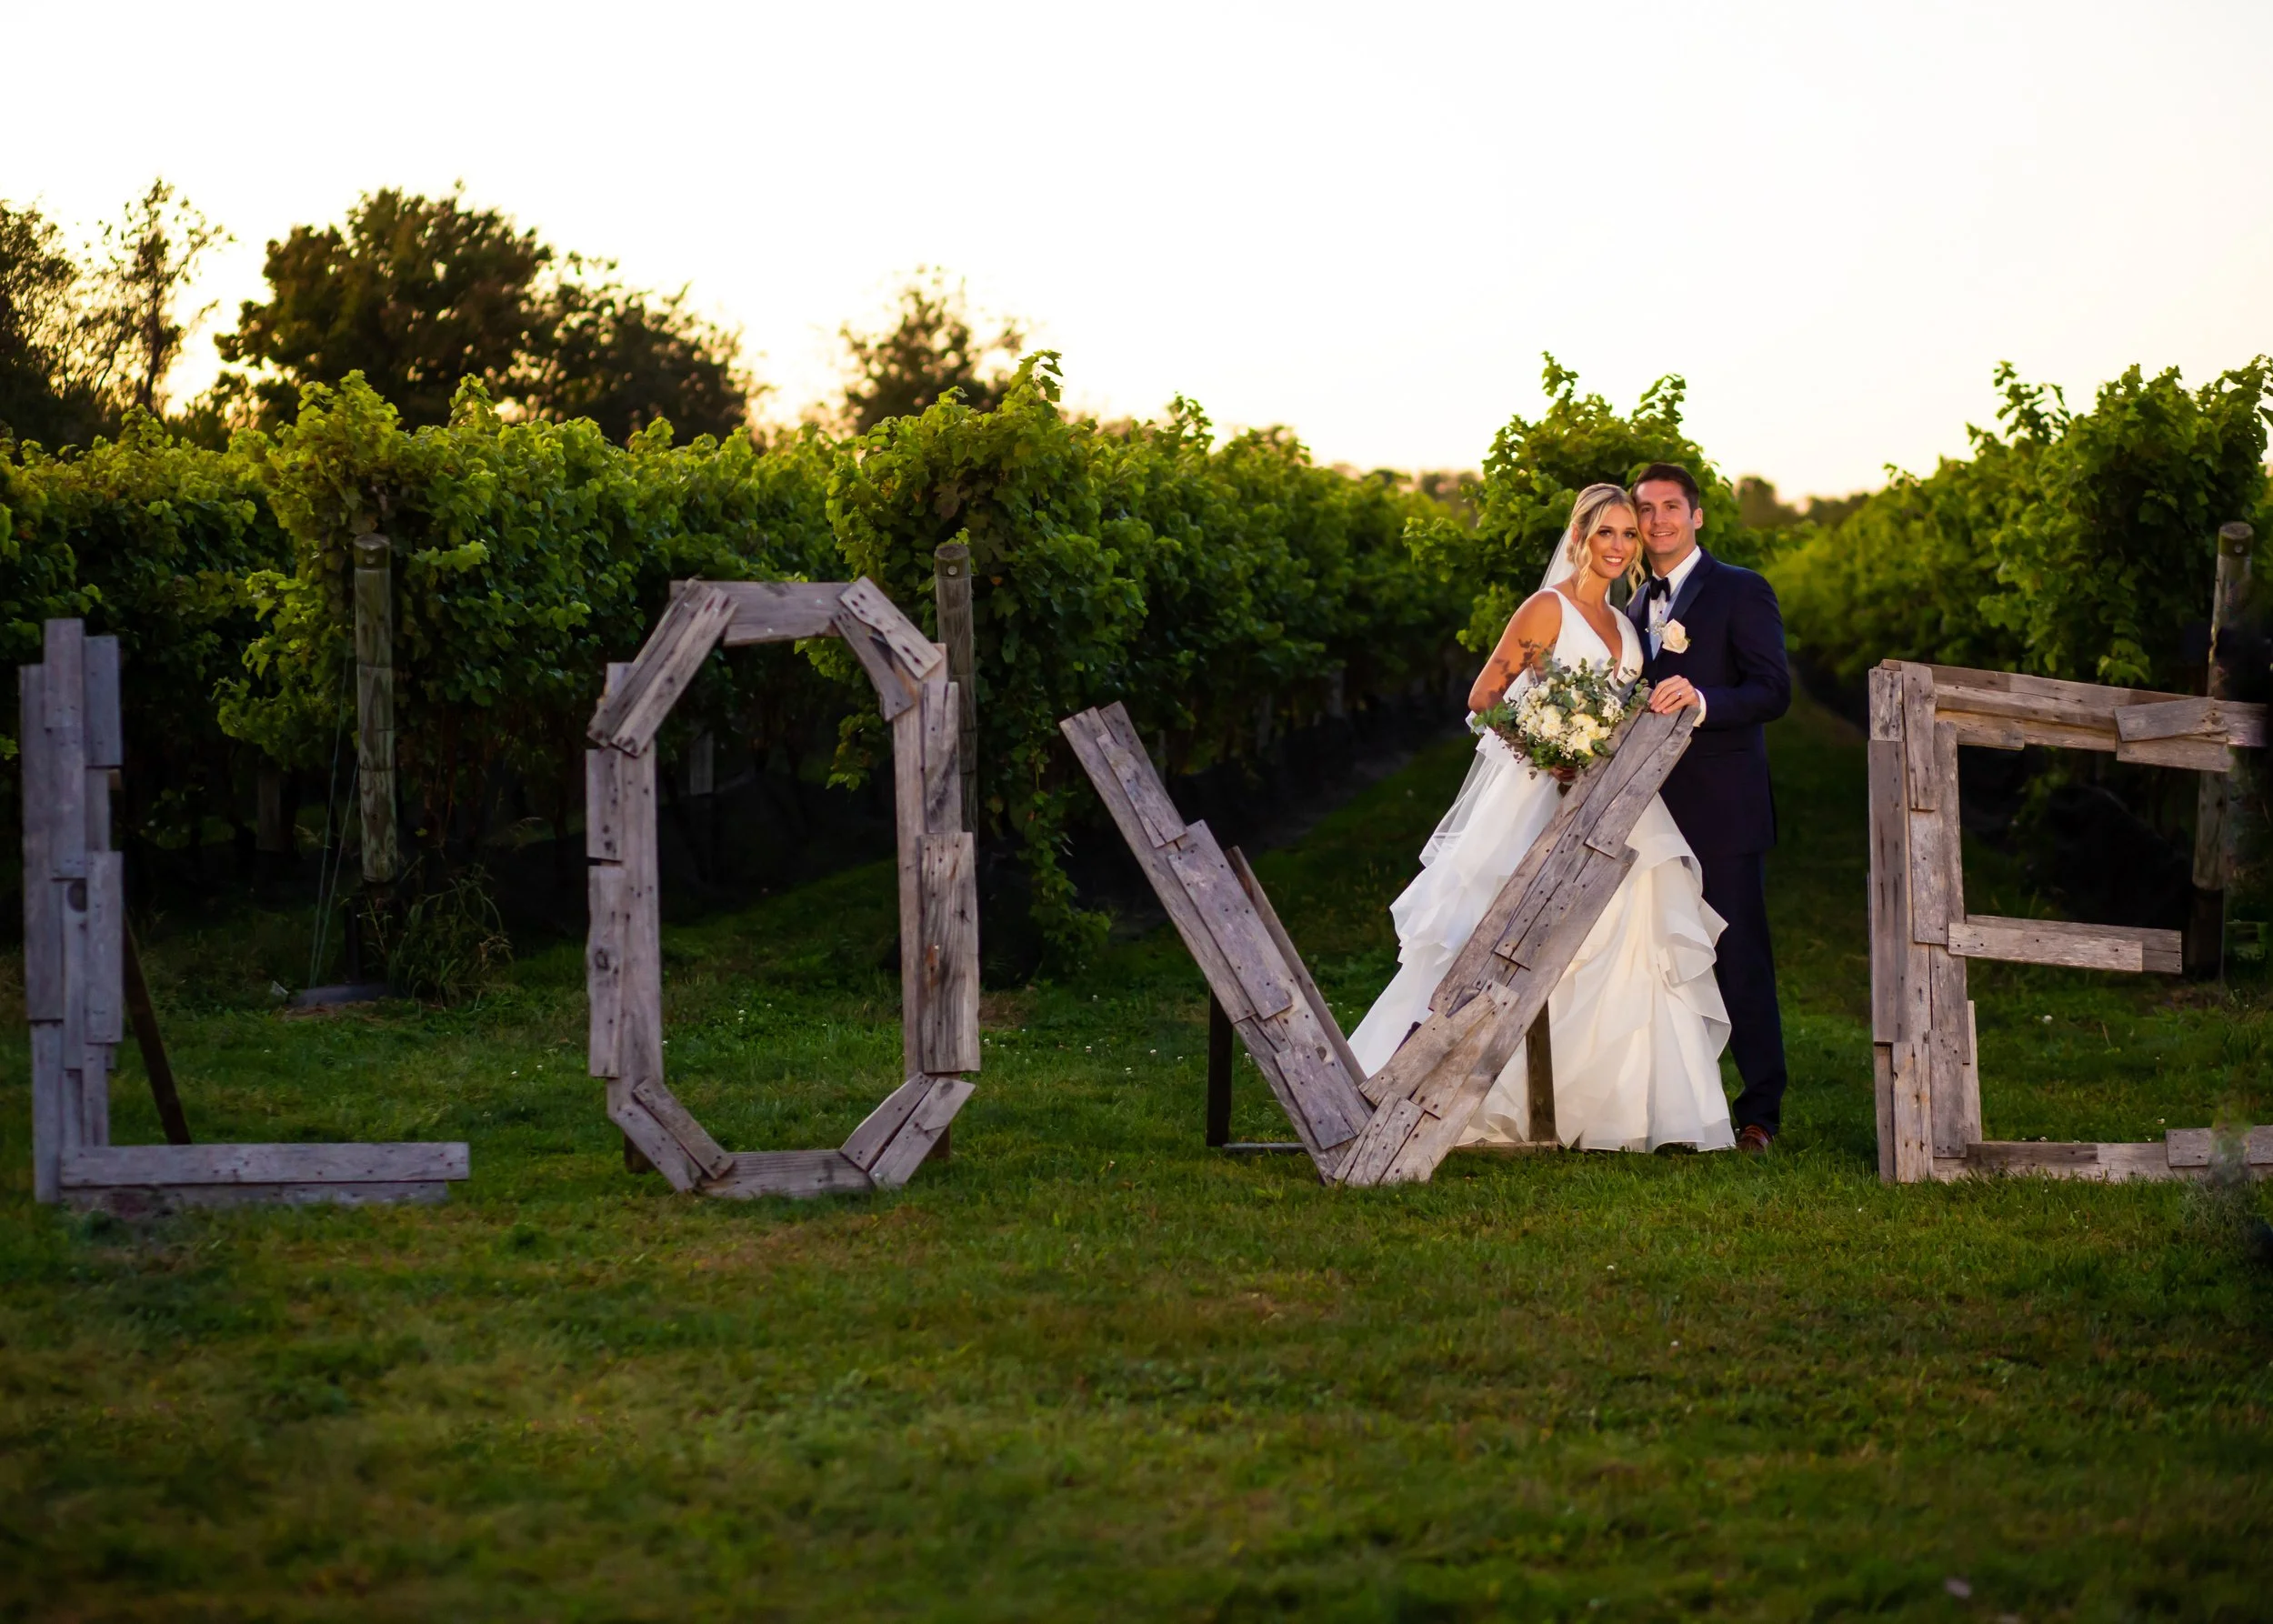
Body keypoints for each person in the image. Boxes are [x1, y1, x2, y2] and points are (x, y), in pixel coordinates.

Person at [1347, 482, 1736, 1154]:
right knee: (1505, 935)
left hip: (1612, 801)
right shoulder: (1546, 609)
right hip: (1537, 794)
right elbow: (1485, 696)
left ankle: (1613, 1109)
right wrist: (1551, 750)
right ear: (1580, 536)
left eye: (1629, 535)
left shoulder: (1625, 622)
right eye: (1606, 533)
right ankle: (1453, 1093)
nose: (1618, 546)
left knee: (1629, 931)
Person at [1626, 462, 1791, 1152]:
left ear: (1697, 517)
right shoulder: (1631, 607)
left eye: (1672, 507)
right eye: (1646, 509)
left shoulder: (1742, 590)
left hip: (1724, 809)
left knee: (1737, 955)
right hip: (1645, 816)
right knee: (1659, 955)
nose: (1659, 520)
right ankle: (1676, 1106)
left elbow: (1772, 691)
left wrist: (1702, 702)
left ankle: (1760, 1113)